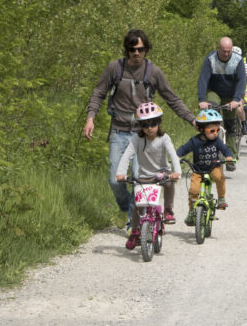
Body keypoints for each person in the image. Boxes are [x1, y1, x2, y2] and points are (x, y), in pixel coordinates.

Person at [84, 29, 195, 226]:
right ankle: (129, 206)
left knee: (138, 180)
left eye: (141, 49)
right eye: (132, 49)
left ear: (146, 50)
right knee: (114, 180)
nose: (137, 53)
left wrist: (191, 120)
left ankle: (133, 225)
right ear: (127, 50)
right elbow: (99, 92)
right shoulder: (114, 68)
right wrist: (90, 118)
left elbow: (172, 98)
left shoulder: (153, 72)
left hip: (143, 135)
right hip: (119, 132)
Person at [115, 102, 181, 249]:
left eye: (153, 123)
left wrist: (176, 172)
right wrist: (121, 173)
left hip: (162, 173)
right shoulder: (136, 140)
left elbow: (173, 155)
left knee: (169, 182)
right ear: (140, 125)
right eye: (145, 125)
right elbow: (127, 156)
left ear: (159, 122)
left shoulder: (164, 138)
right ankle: (135, 232)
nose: (149, 128)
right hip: (144, 176)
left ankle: (168, 210)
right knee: (139, 205)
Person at [197, 37, 247, 171]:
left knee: (231, 125)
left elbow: (242, 81)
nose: (226, 54)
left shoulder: (238, 60)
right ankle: (210, 152)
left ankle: (230, 157)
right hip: (215, 92)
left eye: (229, 51)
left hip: (231, 95)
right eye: (224, 51)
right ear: (218, 48)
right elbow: (203, 80)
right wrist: (202, 100)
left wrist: (236, 99)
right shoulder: (210, 59)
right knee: (212, 116)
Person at [176, 109, 234, 225]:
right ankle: (192, 211)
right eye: (212, 130)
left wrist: (228, 156)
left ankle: (221, 198)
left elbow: (225, 149)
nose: (215, 133)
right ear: (202, 129)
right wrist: (176, 156)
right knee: (193, 191)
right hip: (198, 170)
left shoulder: (217, 141)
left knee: (219, 177)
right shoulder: (195, 141)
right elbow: (184, 148)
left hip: (213, 167)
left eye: (217, 130)